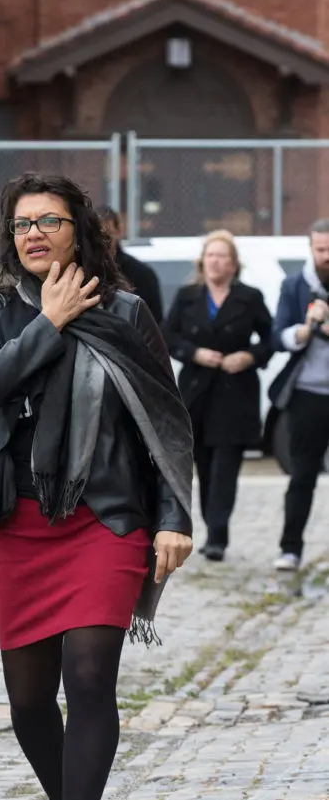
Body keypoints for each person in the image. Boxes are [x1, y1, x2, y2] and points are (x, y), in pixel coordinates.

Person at [0, 173, 193, 800]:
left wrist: (173, 516)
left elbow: (165, 421)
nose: (33, 234)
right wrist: (48, 322)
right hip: (22, 525)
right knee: (29, 700)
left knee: (89, 678)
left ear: (78, 231)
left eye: (49, 221)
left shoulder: (125, 310)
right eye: (22, 223)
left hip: (107, 517)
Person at [162, 230, 273, 562]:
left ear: (234, 263)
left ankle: (218, 535)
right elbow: (167, 334)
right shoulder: (187, 295)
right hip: (197, 392)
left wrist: (249, 356)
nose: (216, 261)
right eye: (211, 255)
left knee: (227, 467)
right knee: (205, 466)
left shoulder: (249, 297)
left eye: (222, 256)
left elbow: (270, 339)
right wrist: (193, 353)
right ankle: (211, 525)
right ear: (202, 261)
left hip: (235, 393)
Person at [269, 217, 329, 572]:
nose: (326, 257)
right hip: (307, 393)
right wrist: (307, 328)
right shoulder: (294, 285)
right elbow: (278, 337)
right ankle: (290, 548)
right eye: (321, 250)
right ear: (310, 248)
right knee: (302, 473)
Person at [97, 206, 164, 322]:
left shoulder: (142, 274)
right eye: (97, 236)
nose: (102, 243)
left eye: (107, 236)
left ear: (119, 232)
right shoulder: (79, 271)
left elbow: (155, 323)